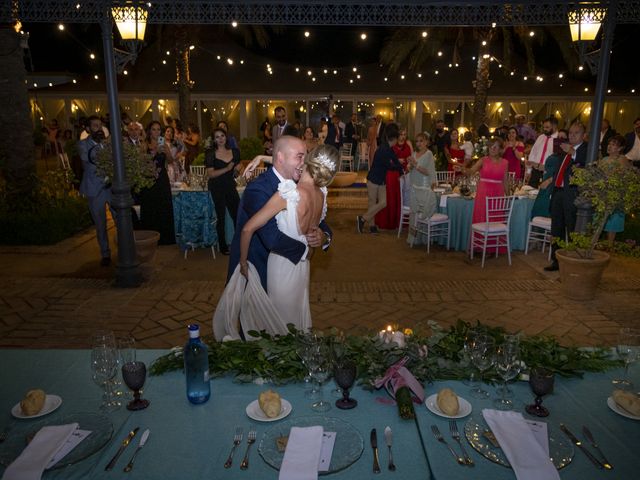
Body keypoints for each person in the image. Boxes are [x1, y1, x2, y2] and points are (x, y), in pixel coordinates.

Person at [224, 145, 338, 335]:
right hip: (303, 268)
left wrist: (243, 263)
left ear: (307, 161)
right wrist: (261, 156)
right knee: (295, 320)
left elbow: (248, 229)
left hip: (282, 268)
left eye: (303, 156)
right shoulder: (322, 193)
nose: (300, 161)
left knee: (278, 325)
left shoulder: (289, 194)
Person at [227, 135, 332, 292]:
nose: (305, 163)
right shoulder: (258, 189)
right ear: (281, 157)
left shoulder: (299, 185)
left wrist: (323, 236)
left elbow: (319, 221)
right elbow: (271, 238)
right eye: (300, 156)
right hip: (257, 269)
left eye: (306, 156)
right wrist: (306, 250)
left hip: (286, 273)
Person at [545, 122, 588, 271]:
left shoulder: (585, 149)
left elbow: (584, 163)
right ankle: (556, 261)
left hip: (572, 194)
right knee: (556, 227)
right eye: (570, 133)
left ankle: (573, 261)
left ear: (583, 135)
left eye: (576, 133)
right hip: (558, 192)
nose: (572, 135)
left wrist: (572, 152)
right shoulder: (564, 150)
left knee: (572, 227)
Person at [78, 116, 115, 266]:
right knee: (100, 224)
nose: (98, 129)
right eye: (94, 126)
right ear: (88, 129)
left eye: (100, 126)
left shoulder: (108, 144)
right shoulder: (83, 144)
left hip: (110, 187)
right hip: (94, 188)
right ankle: (105, 254)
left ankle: (125, 249)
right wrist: (100, 144)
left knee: (120, 218)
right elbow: (90, 158)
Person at [356, 123, 403, 234]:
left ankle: (362, 219)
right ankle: (371, 226)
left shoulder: (389, 149)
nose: (398, 141)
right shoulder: (383, 149)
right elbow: (390, 166)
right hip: (373, 180)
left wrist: (401, 169)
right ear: (394, 139)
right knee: (373, 203)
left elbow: (395, 161)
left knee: (383, 203)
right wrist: (399, 167)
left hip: (381, 181)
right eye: (397, 138)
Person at [205, 128, 241, 255]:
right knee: (221, 217)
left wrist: (237, 170)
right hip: (217, 187)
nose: (220, 139)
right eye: (217, 137)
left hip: (230, 186)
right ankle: (223, 246)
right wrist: (227, 168)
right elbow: (211, 174)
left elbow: (235, 174)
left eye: (222, 136)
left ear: (226, 137)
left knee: (238, 215)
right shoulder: (211, 153)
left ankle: (240, 243)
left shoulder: (235, 152)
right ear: (214, 140)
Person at [465, 137, 509, 242]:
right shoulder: (483, 160)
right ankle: (479, 245)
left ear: (500, 149)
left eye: (495, 147)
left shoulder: (505, 162)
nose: (492, 149)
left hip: (498, 194)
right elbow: (471, 171)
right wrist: (462, 168)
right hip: (483, 193)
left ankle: (493, 246)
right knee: (482, 218)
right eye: (490, 147)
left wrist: (509, 196)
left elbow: (505, 180)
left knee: (495, 218)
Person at [139, 121, 176, 245]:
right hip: (149, 178)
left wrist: (166, 151)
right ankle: (150, 237)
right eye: (154, 129)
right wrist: (154, 153)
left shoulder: (164, 143)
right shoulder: (144, 144)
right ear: (149, 131)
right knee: (151, 206)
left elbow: (171, 160)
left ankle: (165, 238)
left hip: (162, 178)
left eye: (158, 129)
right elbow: (141, 162)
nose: (156, 132)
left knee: (163, 205)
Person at [406, 132, 437, 245]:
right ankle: (413, 238)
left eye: (421, 141)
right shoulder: (415, 153)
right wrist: (409, 165)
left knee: (422, 210)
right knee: (414, 212)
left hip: (423, 186)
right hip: (414, 185)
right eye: (417, 141)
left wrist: (415, 165)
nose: (418, 143)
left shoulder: (429, 154)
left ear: (426, 142)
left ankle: (423, 238)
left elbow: (428, 171)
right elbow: (410, 169)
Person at [530, 129, 567, 219]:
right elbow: (548, 168)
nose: (559, 140)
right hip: (544, 186)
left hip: (552, 187)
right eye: (558, 137)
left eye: (562, 138)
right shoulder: (554, 155)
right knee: (536, 213)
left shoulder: (566, 156)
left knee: (545, 214)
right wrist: (536, 165)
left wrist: (549, 181)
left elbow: (563, 172)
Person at [600, 135, 630, 246]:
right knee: (599, 219)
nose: (609, 146)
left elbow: (623, 176)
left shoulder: (622, 159)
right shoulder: (604, 159)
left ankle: (609, 245)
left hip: (616, 193)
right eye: (609, 144)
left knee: (613, 220)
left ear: (620, 148)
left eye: (613, 144)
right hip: (602, 193)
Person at [526, 116, 559, 187]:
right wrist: (529, 171)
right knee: (530, 191)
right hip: (535, 171)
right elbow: (533, 154)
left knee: (543, 195)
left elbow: (557, 160)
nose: (544, 129)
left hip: (547, 173)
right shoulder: (541, 137)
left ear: (554, 126)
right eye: (543, 127)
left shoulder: (558, 140)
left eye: (547, 127)